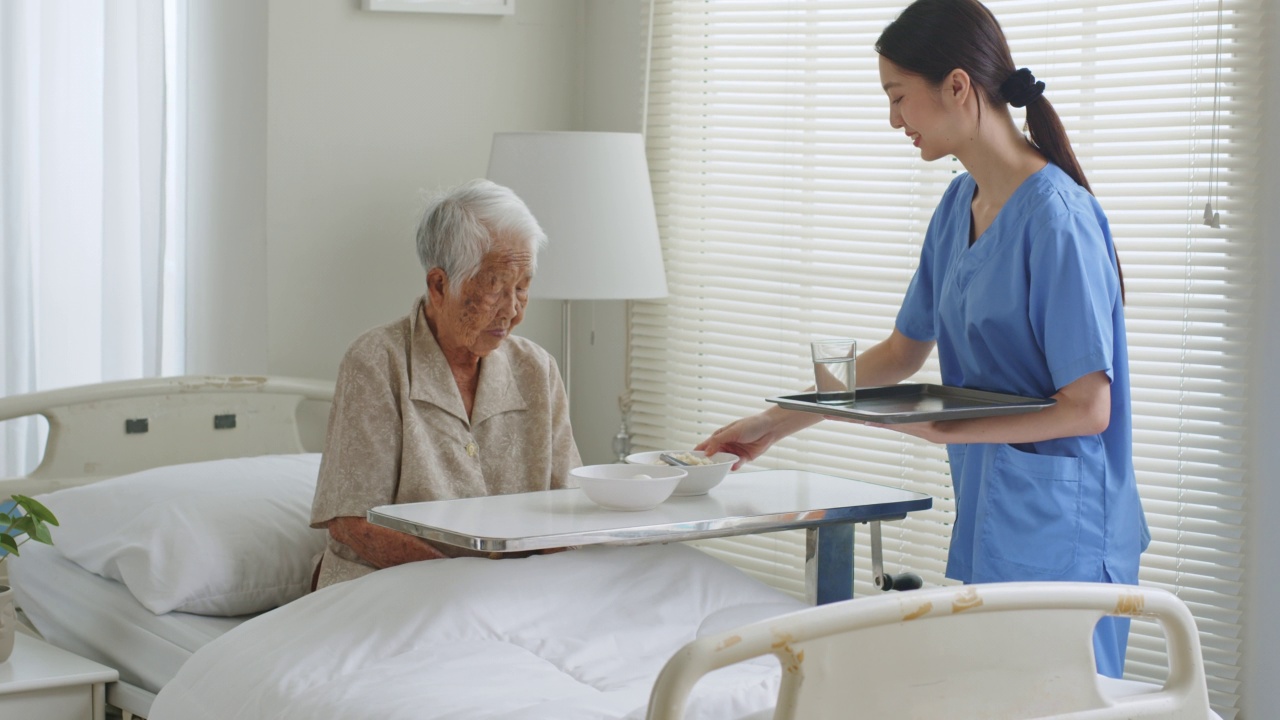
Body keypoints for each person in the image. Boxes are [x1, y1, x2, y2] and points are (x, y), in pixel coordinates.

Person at [697, 0, 1148, 678]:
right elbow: (899, 355)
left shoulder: (1058, 219)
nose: (893, 120)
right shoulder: (955, 208)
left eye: (898, 96)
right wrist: (777, 421)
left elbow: (1089, 407)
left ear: (958, 86)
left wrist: (950, 430)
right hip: (991, 518)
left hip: (1066, 535)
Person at [310, 179, 582, 590]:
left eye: (522, 287)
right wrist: (468, 582)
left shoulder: (537, 370)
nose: (511, 310)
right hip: (390, 587)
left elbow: (572, 506)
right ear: (439, 285)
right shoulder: (377, 362)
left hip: (516, 591)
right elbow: (351, 522)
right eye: (494, 287)